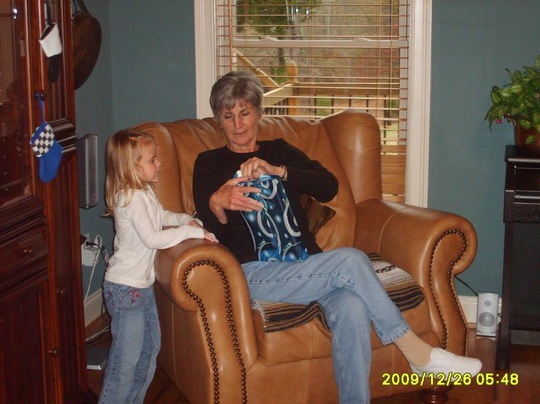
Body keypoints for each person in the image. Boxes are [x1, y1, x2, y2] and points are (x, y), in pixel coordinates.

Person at [192, 71, 482, 404]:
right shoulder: (209, 164)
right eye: (228, 116)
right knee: (351, 260)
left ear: (258, 113)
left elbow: (329, 186)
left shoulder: (279, 151)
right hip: (253, 272)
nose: (238, 124)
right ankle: (417, 353)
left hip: (307, 264)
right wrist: (216, 203)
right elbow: (208, 230)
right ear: (218, 121)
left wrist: (278, 171)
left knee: (352, 305)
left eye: (244, 113)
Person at [99, 129, 218, 404]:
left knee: (150, 349)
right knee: (125, 362)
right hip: (125, 290)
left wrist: (186, 220)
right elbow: (152, 238)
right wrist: (192, 233)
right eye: (152, 159)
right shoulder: (130, 198)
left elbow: (162, 216)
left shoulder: (144, 193)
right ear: (132, 167)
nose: (159, 163)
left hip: (141, 288)